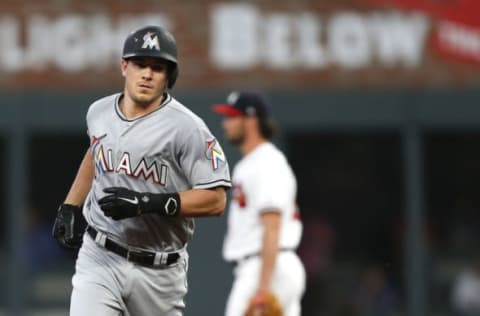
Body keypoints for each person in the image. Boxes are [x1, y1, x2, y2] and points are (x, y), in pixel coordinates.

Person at [52, 25, 231, 316]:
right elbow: (95, 151)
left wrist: (147, 202)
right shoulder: (99, 112)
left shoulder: (187, 128)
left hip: (159, 271)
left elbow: (216, 200)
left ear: (168, 76)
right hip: (101, 256)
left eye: (157, 67)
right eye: (139, 64)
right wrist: (72, 203)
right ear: (125, 66)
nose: (147, 74)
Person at [212, 91, 305, 316]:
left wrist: (263, 289)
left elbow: (272, 226)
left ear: (251, 120)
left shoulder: (266, 163)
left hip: (266, 267)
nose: (226, 124)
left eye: (232, 117)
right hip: (269, 266)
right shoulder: (252, 163)